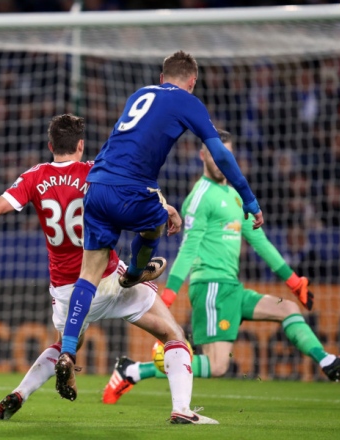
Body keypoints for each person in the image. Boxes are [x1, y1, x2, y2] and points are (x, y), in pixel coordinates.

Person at [0, 114, 218, 425]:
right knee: (172, 334)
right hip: (107, 277)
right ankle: (181, 409)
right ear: (81, 145)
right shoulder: (95, 172)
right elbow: (134, 203)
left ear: (50, 146)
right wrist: (165, 208)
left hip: (65, 290)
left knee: (66, 346)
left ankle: (20, 392)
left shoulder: (34, 177)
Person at [102, 129, 340, 405]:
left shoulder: (235, 195)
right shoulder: (200, 196)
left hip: (231, 287)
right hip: (210, 288)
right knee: (218, 366)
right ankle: (133, 370)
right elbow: (188, 249)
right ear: (203, 155)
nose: (222, 161)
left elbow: (260, 241)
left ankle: (328, 362)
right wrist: (168, 297)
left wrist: (293, 282)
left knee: (287, 308)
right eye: (217, 155)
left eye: (226, 156)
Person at [56, 51, 264, 405]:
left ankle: (68, 351)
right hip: (131, 190)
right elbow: (222, 154)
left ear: (162, 74)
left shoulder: (140, 94)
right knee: (159, 222)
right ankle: (134, 272)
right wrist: (248, 197)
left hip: (97, 186)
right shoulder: (189, 101)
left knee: (88, 276)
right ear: (192, 80)